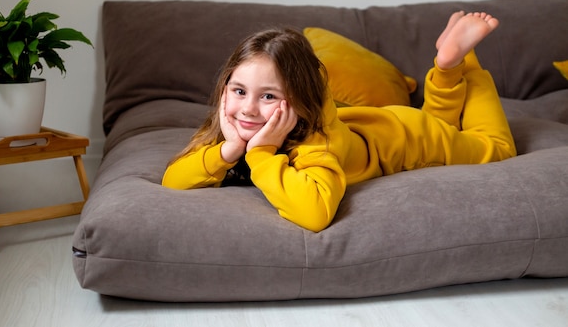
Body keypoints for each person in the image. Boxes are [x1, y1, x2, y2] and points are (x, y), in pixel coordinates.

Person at [162, 12, 516, 232]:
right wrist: (229, 150)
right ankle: (448, 65)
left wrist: (261, 154)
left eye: (268, 96)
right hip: (381, 126)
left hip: (412, 141)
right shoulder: (234, 125)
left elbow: (315, 214)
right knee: (439, 119)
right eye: (239, 91)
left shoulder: (318, 142)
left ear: (301, 99)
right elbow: (173, 180)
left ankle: (459, 61)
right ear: (226, 86)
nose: (248, 110)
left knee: (495, 148)